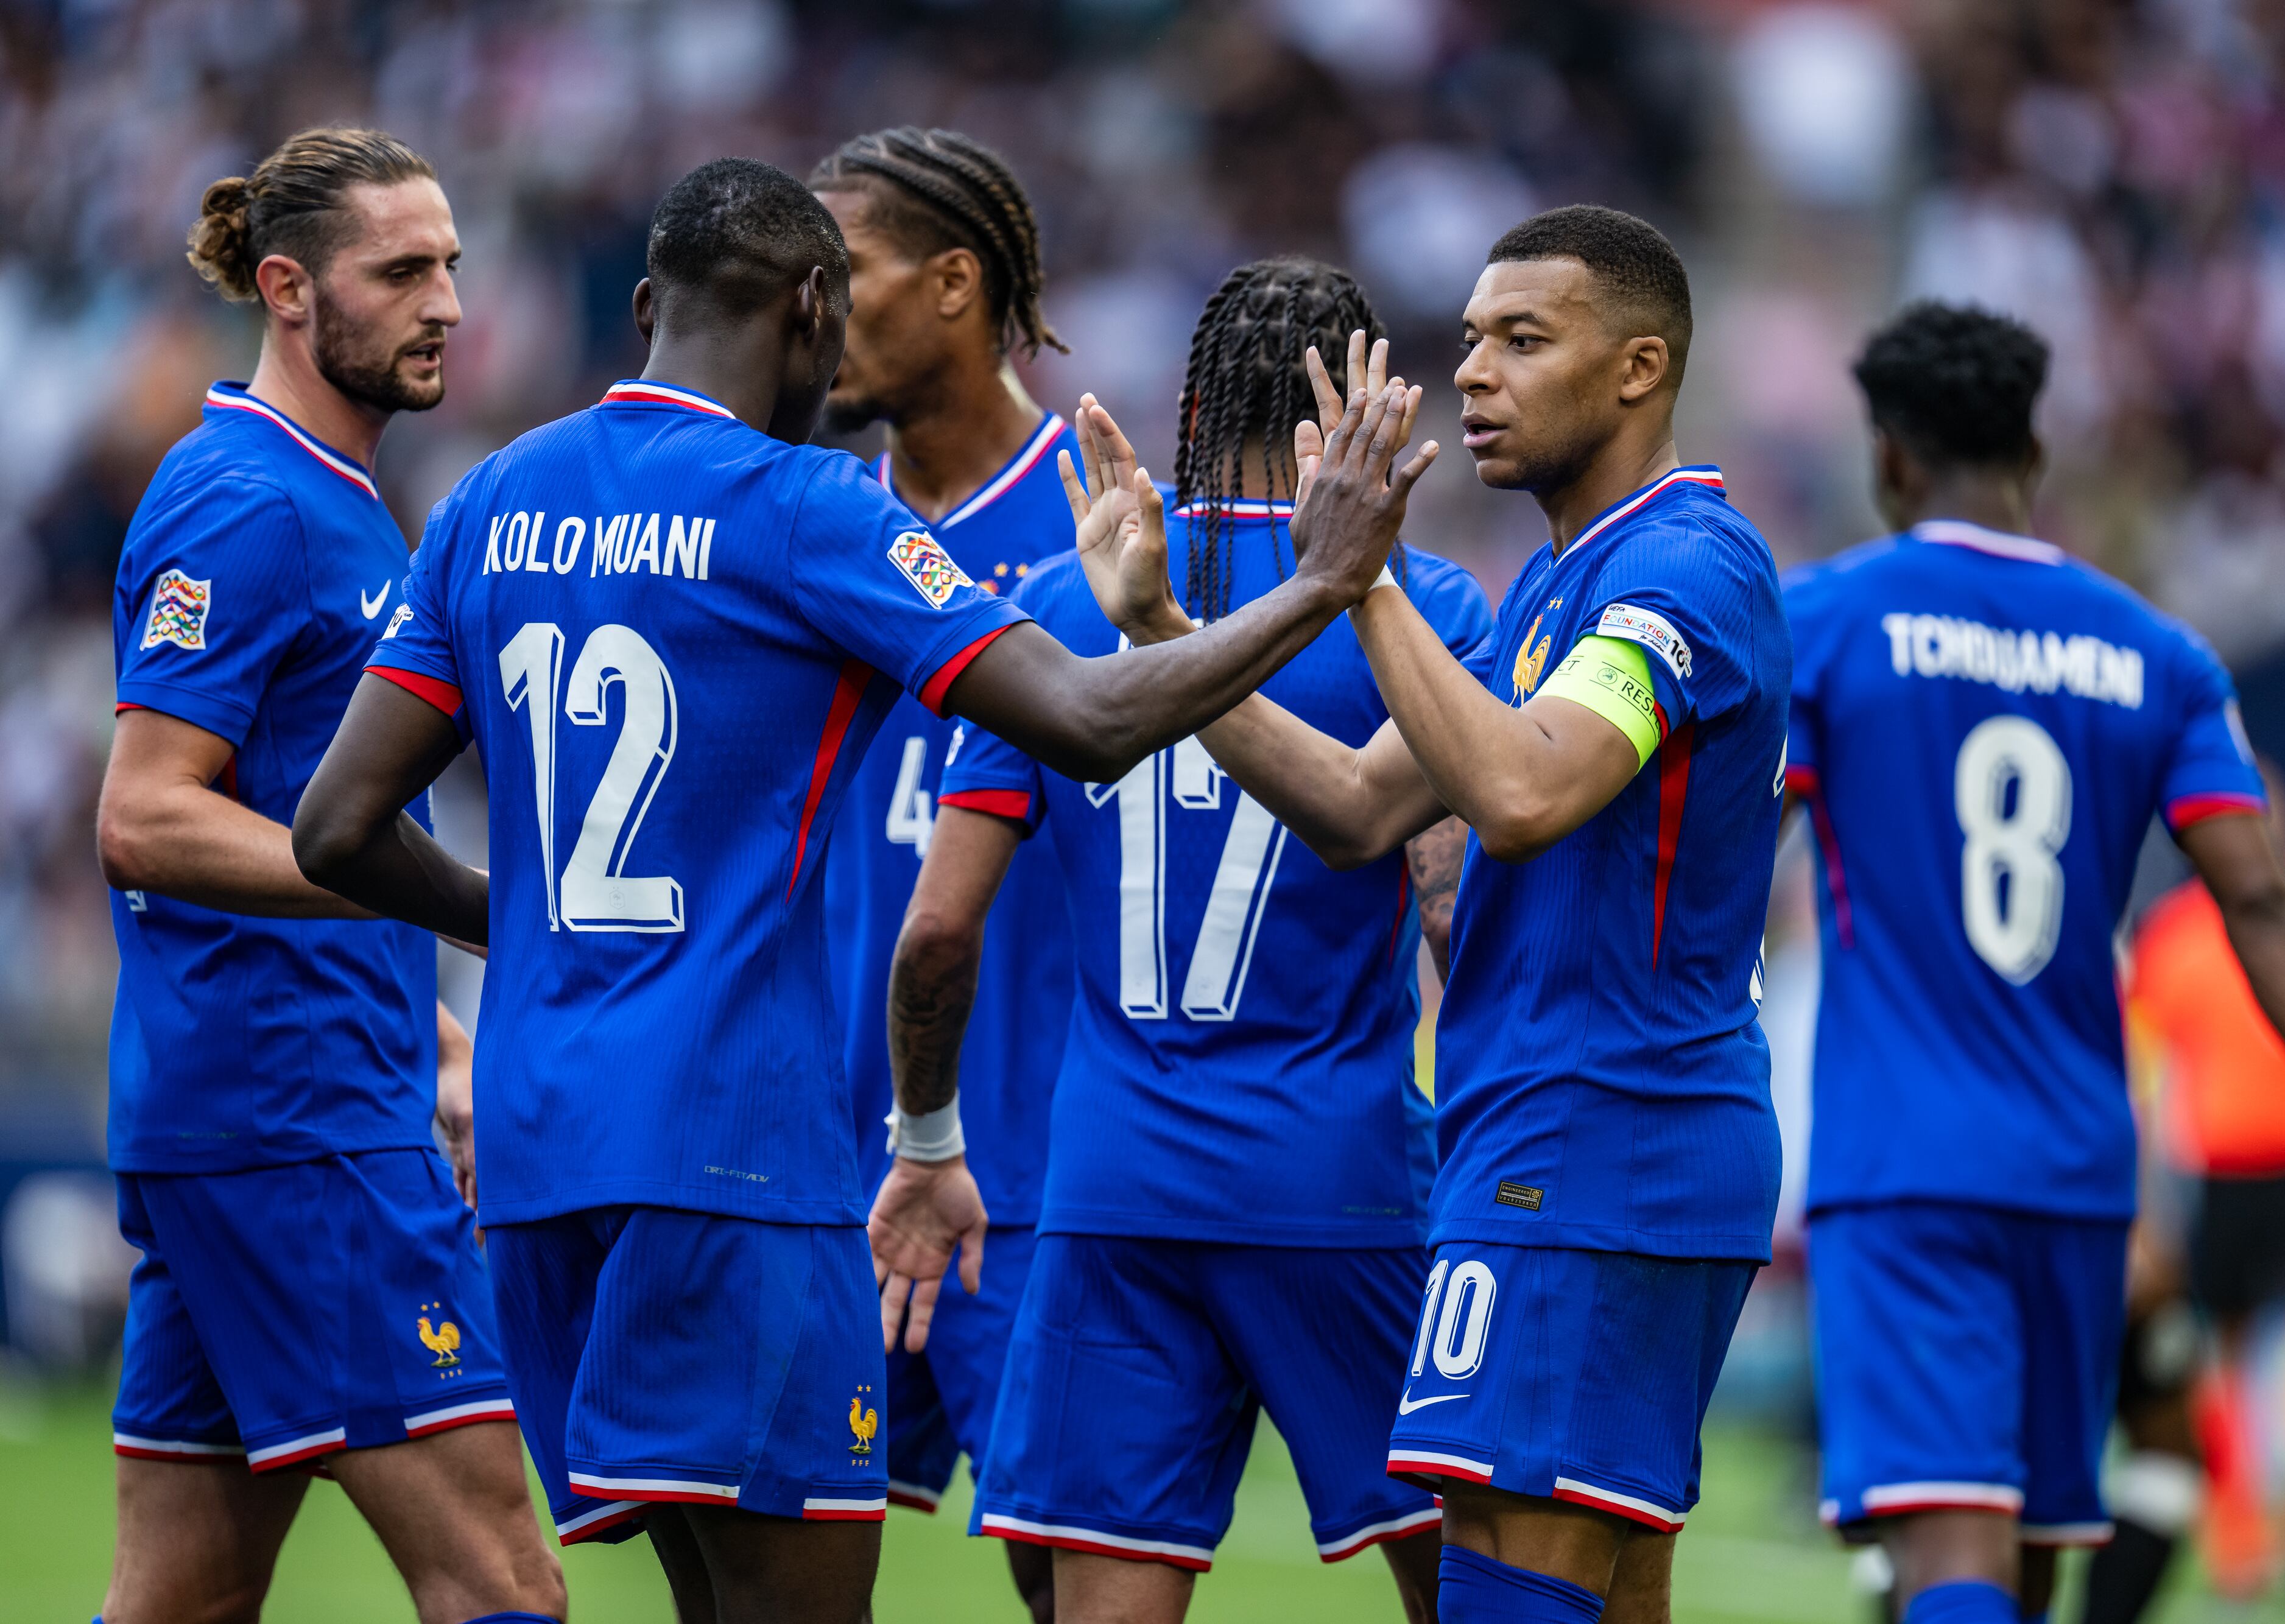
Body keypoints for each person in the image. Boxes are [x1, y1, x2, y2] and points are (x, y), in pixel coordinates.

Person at [287, 157, 1432, 1624]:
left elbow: (332, 829)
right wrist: (1314, 587)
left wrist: (523, 934)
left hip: (534, 1156)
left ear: (647, 307)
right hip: (733, 1158)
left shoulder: (491, 499)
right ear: (815, 306)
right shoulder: (805, 505)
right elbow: (1083, 719)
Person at [960, 204, 1789, 1623]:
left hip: (1595, 1144)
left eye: (1523, 341)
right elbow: (1353, 808)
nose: (1473, 371)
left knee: (1506, 1593)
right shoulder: (1552, 583)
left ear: (1640, 366)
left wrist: (1353, 586)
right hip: (1551, 1139)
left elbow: (1524, 796)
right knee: (1597, 1585)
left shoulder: (1682, 573)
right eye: (1467, 339)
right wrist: (1165, 631)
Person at [1777, 301, 2285, 1624]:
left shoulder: (1826, 622)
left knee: (1947, 1546)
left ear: (1890, 456)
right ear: (2032, 452)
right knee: (2039, 1541)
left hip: (1905, 1160)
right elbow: (2264, 905)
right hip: (2080, 1170)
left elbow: (1720, 867)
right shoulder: (2155, 654)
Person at [878, 259, 1482, 1624]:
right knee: (1478, 1585)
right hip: (1344, 1178)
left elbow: (936, 930)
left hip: (1112, 1185)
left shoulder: (1046, 599)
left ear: (1195, 401)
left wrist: (924, 1139)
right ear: (1364, 412)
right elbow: (1451, 916)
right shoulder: (1427, 605)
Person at [91, 128, 563, 1624]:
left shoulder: (343, 501)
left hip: (271, 1101)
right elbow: (148, 818)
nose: (445, 303)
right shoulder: (248, 500)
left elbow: (285, 825)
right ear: (289, 290)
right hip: (291, 1125)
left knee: (185, 1595)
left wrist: (435, 1041)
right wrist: (440, 903)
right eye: (404, 270)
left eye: (452, 268)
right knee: (503, 1584)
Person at [805, 128, 1079, 1621]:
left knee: (1066, 1581)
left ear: (956, 281)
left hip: (1021, 1175)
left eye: (840, 274)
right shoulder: (804, 523)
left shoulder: (1099, 537)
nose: (808, 309)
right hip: (818, 1163)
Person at [2090, 763, 2285, 1616]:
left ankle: (2275, 1530)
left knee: (2255, 1357)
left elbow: (2141, 1073)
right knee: (2272, 1354)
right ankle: (2278, 1529)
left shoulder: (2260, 926)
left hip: (2275, 1171)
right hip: (2254, 1172)